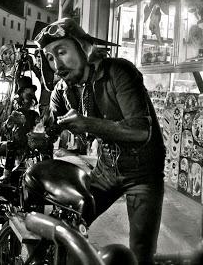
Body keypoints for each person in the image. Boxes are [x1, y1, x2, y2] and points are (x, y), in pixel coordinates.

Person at [36, 18, 165, 265]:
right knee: (68, 227)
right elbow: (50, 120)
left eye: (62, 52)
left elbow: (141, 130)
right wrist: (42, 129)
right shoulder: (65, 88)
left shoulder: (118, 71)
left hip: (142, 174)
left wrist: (87, 124)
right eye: (51, 58)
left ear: (83, 48)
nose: (57, 64)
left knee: (140, 252)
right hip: (106, 169)